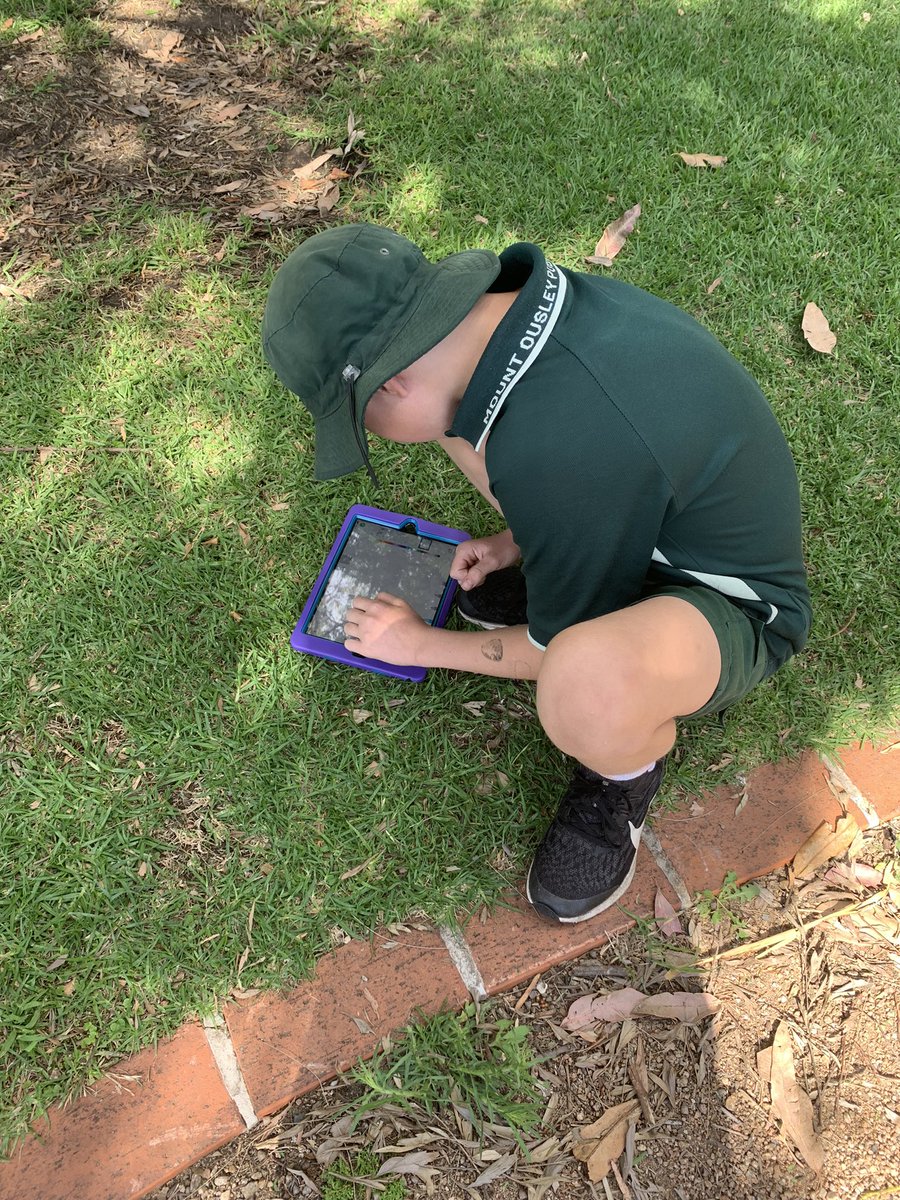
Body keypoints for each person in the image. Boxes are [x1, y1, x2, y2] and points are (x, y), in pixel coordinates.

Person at [262, 223, 811, 924]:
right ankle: (572, 571)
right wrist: (519, 540)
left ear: (390, 381)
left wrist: (420, 646)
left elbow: (553, 648)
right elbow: (612, 470)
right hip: (650, 527)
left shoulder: (558, 450)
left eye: (361, 419)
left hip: (740, 608)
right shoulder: (519, 315)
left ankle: (624, 778)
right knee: (454, 422)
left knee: (582, 682)